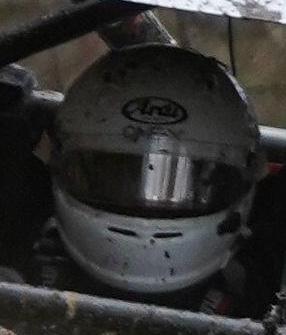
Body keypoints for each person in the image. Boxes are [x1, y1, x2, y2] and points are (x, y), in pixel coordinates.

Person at [43, 43, 263, 304]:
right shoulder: (21, 274)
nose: (146, 216)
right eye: (115, 177)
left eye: (186, 183)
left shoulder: (256, 297)